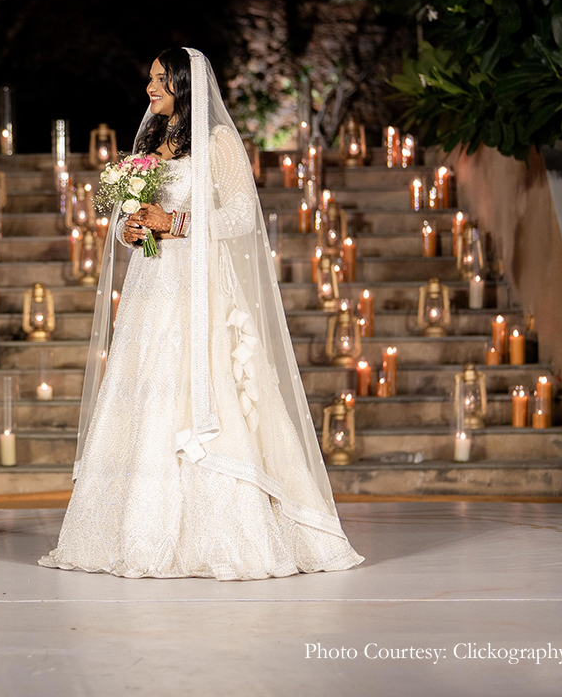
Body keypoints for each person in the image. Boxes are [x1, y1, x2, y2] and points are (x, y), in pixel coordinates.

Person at [39, 47, 364, 579]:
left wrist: (177, 223)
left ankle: (226, 531)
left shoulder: (216, 143)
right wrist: (131, 227)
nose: (150, 90)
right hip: (149, 287)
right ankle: (136, 531)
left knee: (203, 388)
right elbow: (126, 216)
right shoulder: (148, 143)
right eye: (150, 81)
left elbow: (240, 215)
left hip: (198, 286)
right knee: (147, 391)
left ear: (186, 85)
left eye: (161, 81)